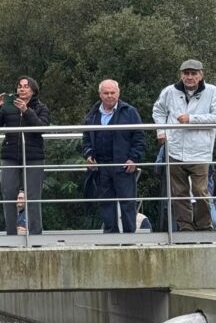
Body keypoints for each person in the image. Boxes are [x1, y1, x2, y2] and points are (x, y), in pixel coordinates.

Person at [152, 59, 216, 231]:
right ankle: (185, 227)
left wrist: (192, 119)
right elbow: (158, 110)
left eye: (193, 73)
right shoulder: (169, 91)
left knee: (200, 191)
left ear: (201, 75)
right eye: (186, 73)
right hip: (175, 150)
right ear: (181, 75)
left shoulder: (212, 91)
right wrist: (161, 131)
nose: (189, 77)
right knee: (179, 193)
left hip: (200, 152)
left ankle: (204, 226)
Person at [0, 76, 51, 235]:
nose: (21, 89)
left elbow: (42, 128)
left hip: (34, 156)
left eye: (26, 86)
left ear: (33, 90)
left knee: (33, 197)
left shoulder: (41, 108)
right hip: (10, 155)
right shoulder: (7, 108)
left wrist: (26, 111)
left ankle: (35, 234)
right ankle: (11, 234)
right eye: (19, 86)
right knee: (8, 194)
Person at [82, 80, 145, 233]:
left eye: (112, 92)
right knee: (106, 203)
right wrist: (89, 154)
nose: (110, 96)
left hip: (123, 166)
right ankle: (111, 236)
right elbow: (86, 139)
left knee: (127, 204)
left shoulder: (129, 112)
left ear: (119, 93)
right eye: (106, 93)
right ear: (100, 94)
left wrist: (133, 159)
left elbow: (140, 138)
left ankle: (130, 238)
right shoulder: (93, 114)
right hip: (101, 167)